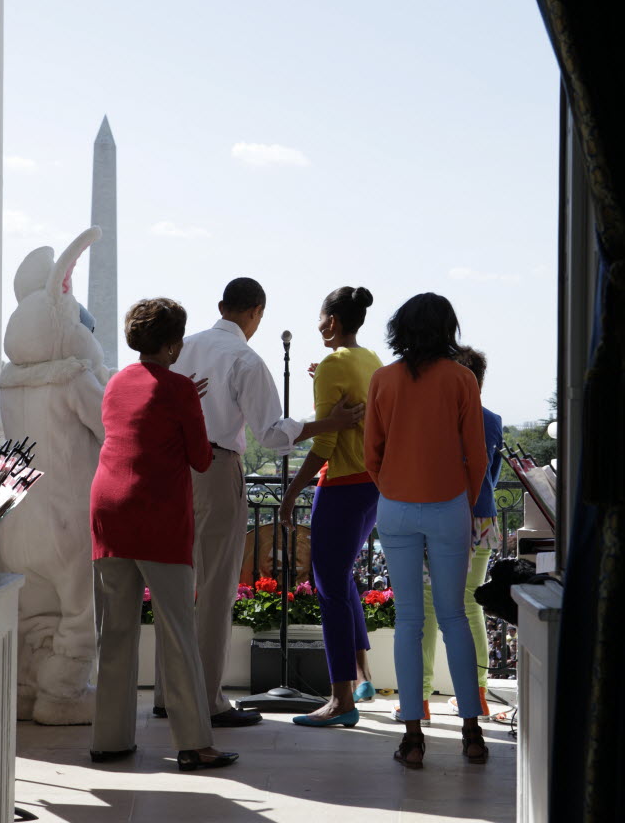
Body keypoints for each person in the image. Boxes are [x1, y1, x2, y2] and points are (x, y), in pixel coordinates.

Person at [167, 277, 365, 727]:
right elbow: (272, 435)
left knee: (174, 583)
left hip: (170, 470)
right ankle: (206, 699)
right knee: (215, 587)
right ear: (256, 312)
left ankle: (168, 694)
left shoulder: (181, 348)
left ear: (222, 306)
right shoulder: (245, 359)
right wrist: (325, 423)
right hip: (214, 467)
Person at [90, 297, 238, 772]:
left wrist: (182, 399)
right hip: (157, 514)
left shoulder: (116, 382)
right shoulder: (180, 389)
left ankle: (109, 739)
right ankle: (194, 743)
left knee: (116, 632)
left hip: (108, 508)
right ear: (174, 344)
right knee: (177, 631)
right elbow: (201, 458)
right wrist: (191, 403)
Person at [364, 292, 489, 768]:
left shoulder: (383, 379)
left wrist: (393, 487)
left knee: (409, 622)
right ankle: (472, 733)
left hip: (395, 506)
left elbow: (372, 452)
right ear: (446, 329)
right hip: (447, 505)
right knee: (455, 617)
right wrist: (459, 500)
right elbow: (476, 455)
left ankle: (412, 737)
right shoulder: (461, 379)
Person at [279, 286, 382, 727]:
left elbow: (325, 444)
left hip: (341, 486)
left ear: (332, 321)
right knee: (341, 579)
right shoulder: (370, 359)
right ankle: (362, 678)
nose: (318, 325)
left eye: (321, 318)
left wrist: (291, 493)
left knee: (330, 589)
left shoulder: (333, 365)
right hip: (372, 486)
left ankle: (340, 701)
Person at [393, 345, 504, 723]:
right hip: (481, 518)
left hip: (439, 514)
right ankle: (477, 696)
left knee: (425, 609)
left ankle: (420, 700)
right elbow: (490, 476)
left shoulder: (437, 416)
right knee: (470, 607)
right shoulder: (492, 420)